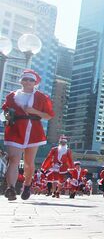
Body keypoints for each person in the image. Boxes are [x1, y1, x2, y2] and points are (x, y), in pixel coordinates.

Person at [2, 69, 55, 201]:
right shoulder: (11, 96)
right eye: (25, 79)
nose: (27, 82)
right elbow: (4, 113)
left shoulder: (42, 97)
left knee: (29, 162)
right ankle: (11, 188)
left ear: (35, 82)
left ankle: (26, 185)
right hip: (15, 128)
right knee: (13, 159)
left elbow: (48, 116)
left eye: (30, 80)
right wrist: (7, 116)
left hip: (34, 130)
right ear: (21, 80)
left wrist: (33, 111)